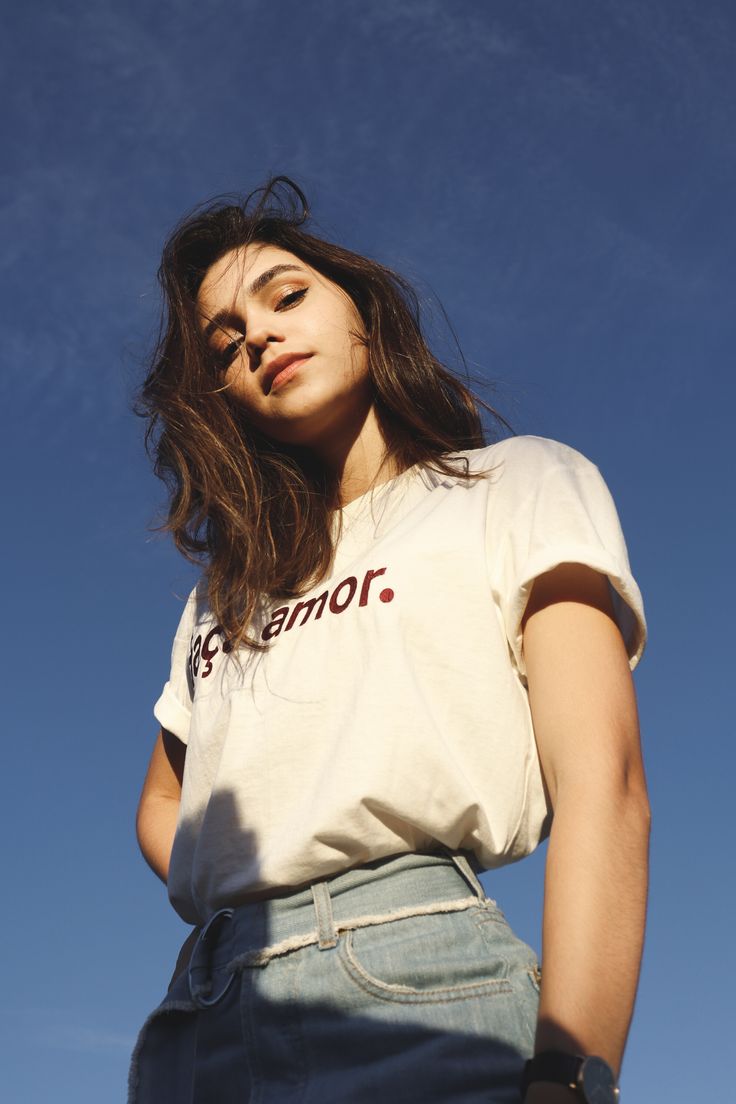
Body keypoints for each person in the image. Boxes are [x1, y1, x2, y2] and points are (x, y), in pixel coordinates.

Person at [129, 177, 650, 1104]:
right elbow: (163, 805)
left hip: (416, 984)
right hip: (198, 1019)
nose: (258, 336)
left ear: (363, 309)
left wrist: (570, 1074)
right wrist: (258, 874)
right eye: (225, 342)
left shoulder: (514, 483)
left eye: (287, 296)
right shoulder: (227, 593)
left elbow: (602, 783)